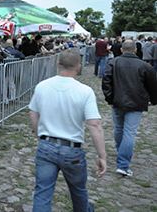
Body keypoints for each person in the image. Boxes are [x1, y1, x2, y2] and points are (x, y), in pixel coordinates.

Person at [29, 50, 107, 212]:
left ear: (58, 65)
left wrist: (39, 136)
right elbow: (94, 124)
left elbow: (33, 113)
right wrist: (102, 156)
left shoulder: (42, 86)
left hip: (46, 145)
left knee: (42, 192)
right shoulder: (85, 91)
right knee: (78, 191)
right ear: (78, 68)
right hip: (72, 149)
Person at [102, 40, 157, 177]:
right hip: (136, 102)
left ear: (121, 50)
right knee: (128, 133)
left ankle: (123, 156)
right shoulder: (144, 66)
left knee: (120, 129)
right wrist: (153, 100)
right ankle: (123, 163)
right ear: (135, 50)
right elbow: (153, 86)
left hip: (119, 102)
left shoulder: (113, 63)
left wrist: (110, 99)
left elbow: (106, 82)